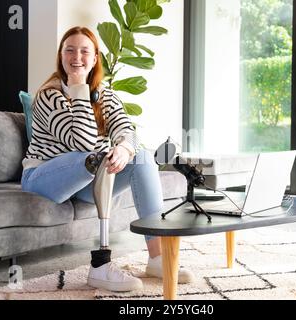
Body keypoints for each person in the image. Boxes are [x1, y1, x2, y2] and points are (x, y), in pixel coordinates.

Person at [21, 26, 193, 292]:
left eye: (84, 51)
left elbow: (128, 131)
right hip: (44, 179)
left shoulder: (106, 95)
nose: (76, 56)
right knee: (91, 158)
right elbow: (82, 144)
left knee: (143, 158)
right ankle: (100, 266)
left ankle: (157, 258)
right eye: (69, 50)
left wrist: (124, 148)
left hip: (86, 182)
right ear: (60, 56)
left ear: (95, 57)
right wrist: (78, 87)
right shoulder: (48, 96)